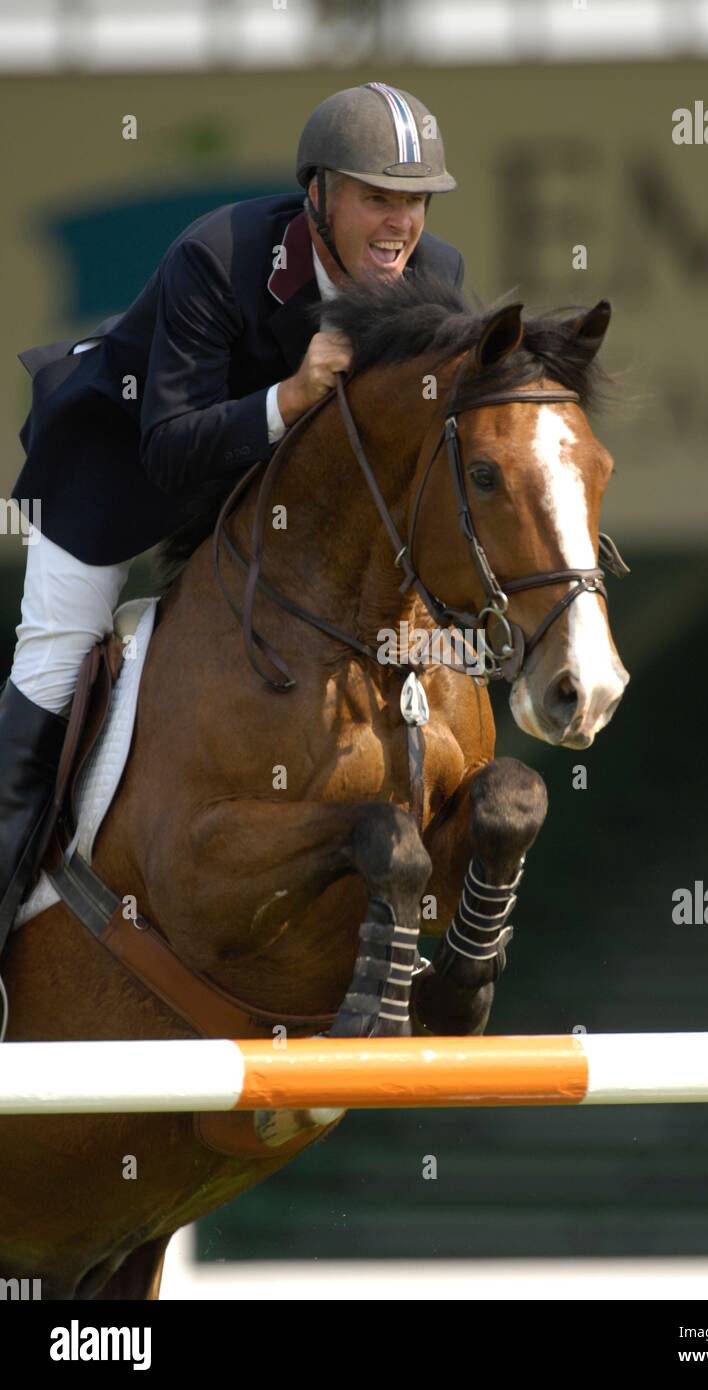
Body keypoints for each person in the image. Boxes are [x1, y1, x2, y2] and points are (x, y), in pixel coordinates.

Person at [0, 81, 463, 942]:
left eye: (414, 201)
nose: (400, 224)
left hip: (270, 502)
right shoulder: (218, 254)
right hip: (122, 471)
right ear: (318, 194)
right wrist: (290, 396)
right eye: (377, 198)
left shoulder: (438, 277)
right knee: (52, 672)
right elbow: (169, 445)